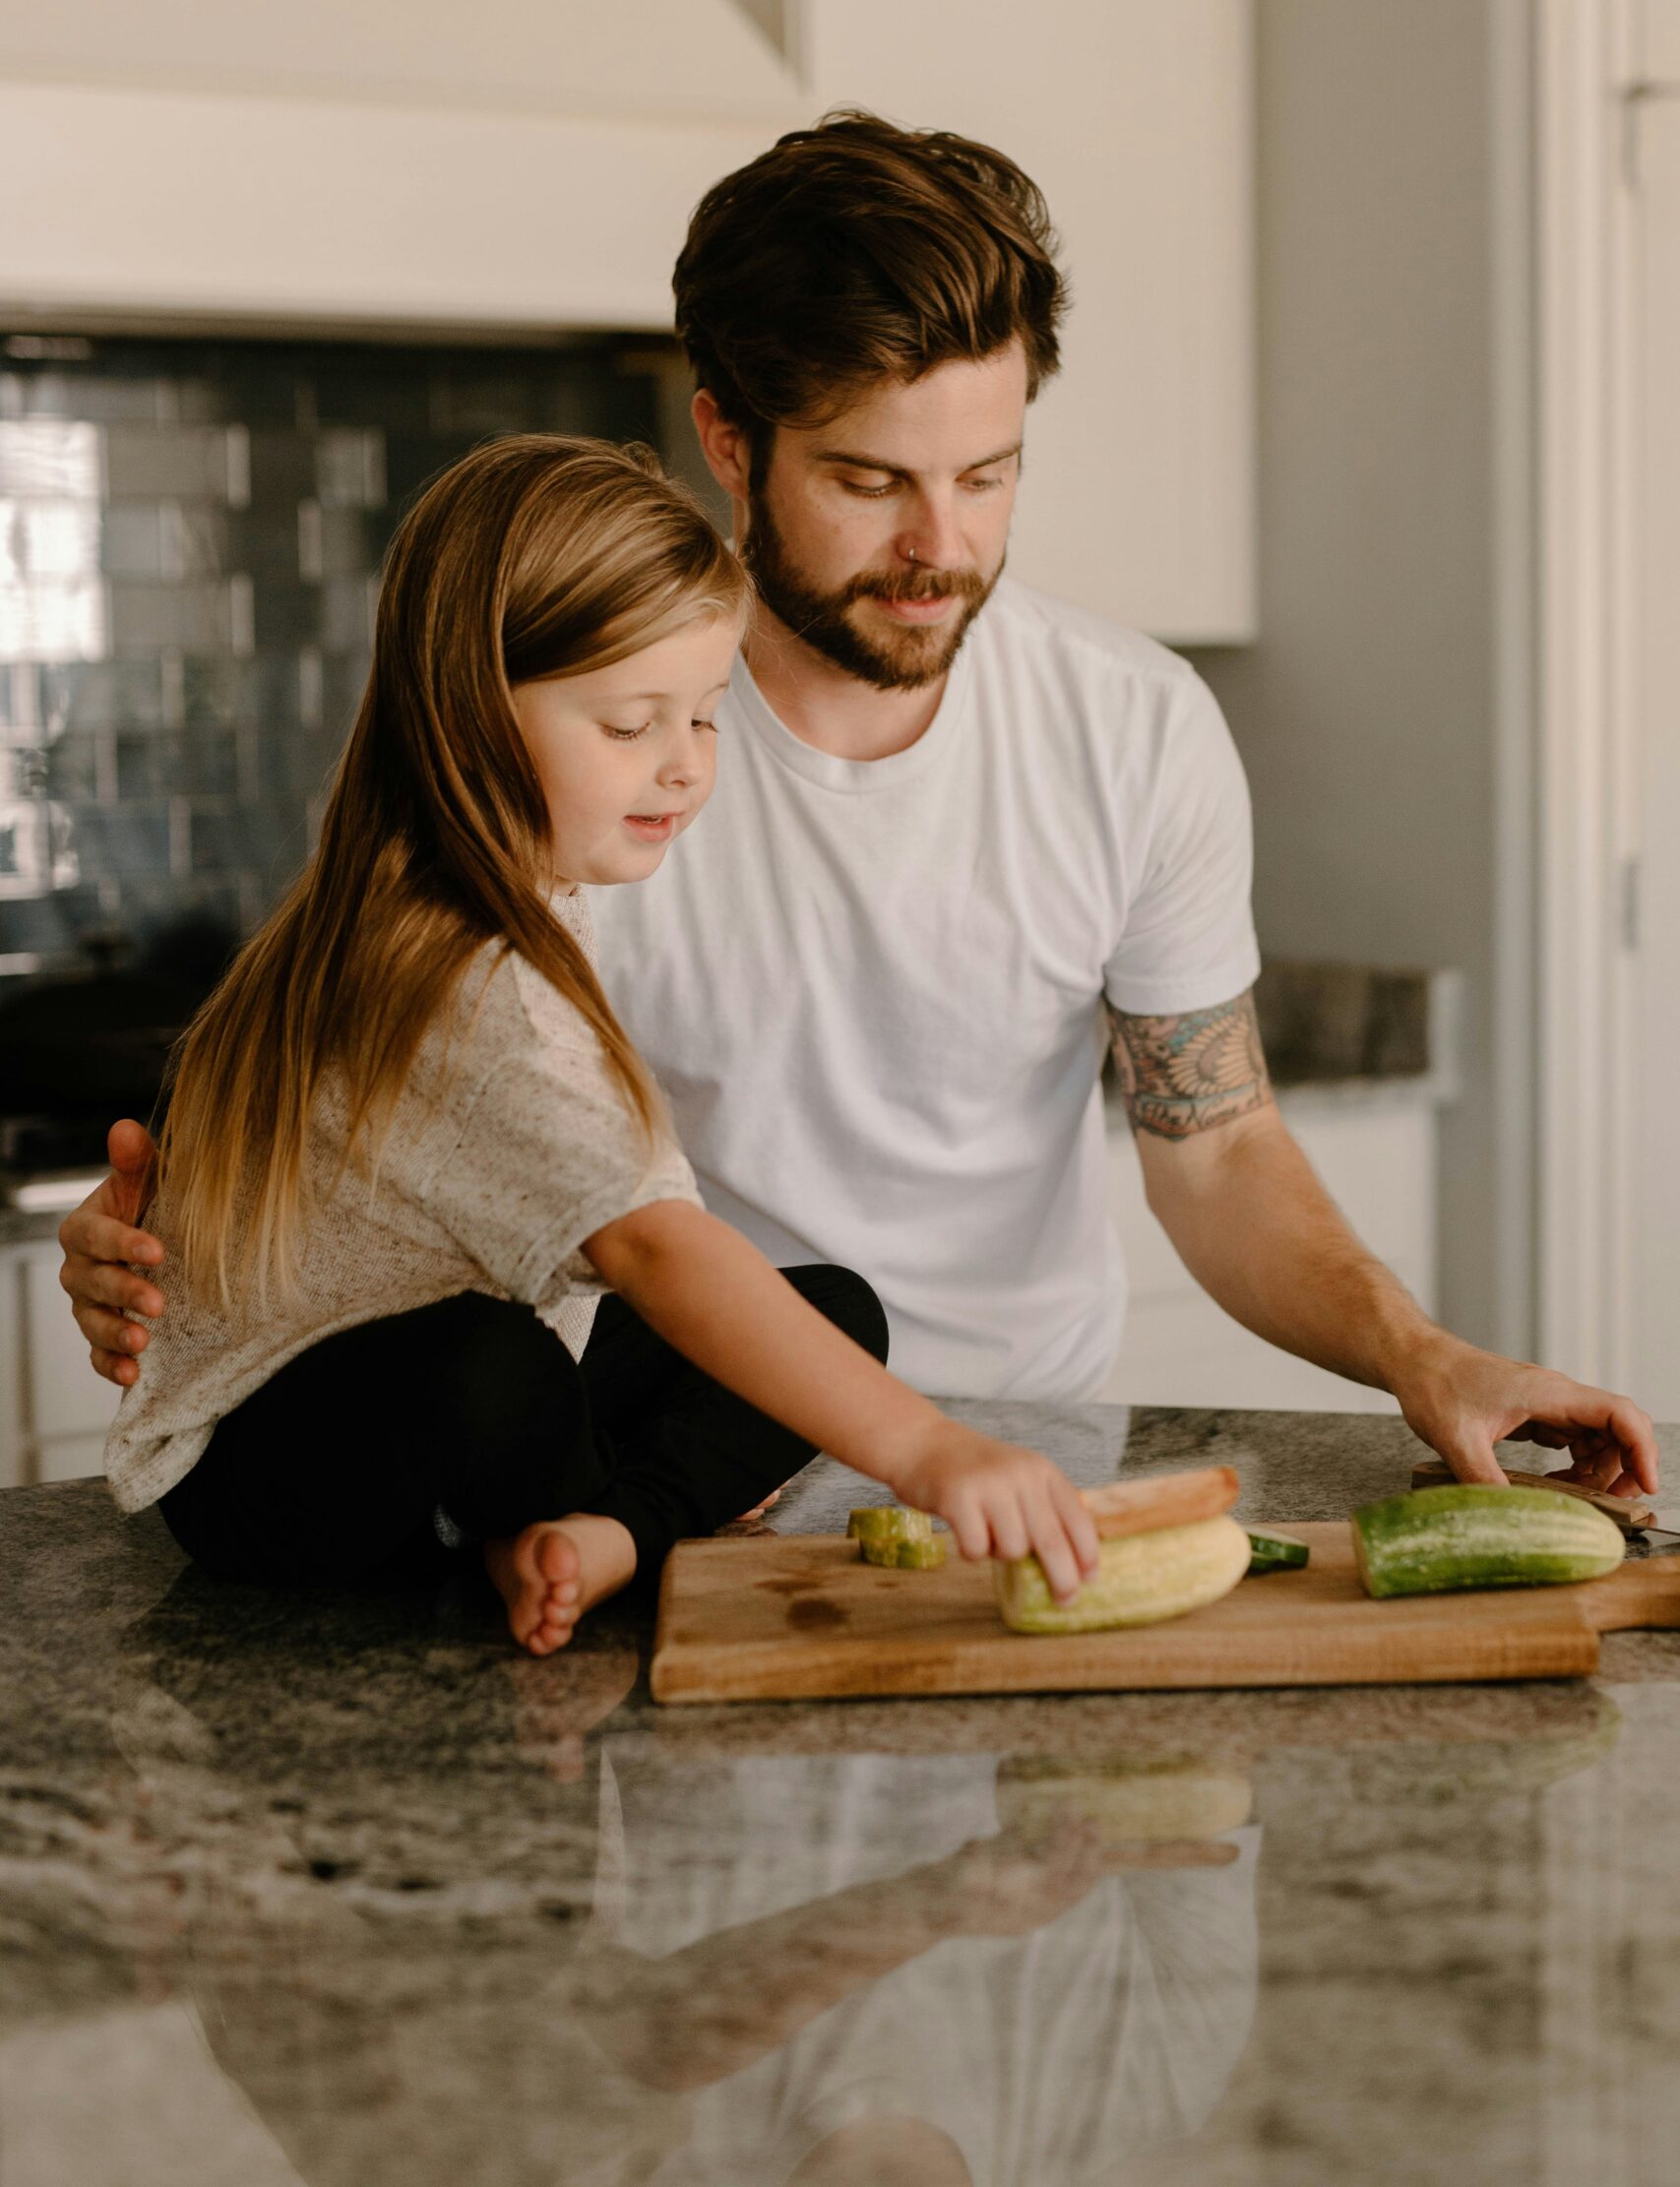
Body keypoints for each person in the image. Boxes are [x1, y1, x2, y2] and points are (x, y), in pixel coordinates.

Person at [63, 113, 1657, 1498]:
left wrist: (1419, 1355)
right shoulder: (585, 751)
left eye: (987, 473)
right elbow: (392, 1106)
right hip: (675, 1475)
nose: (938, 549)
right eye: (869, 481)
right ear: (727, 441)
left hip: (1026, 1459)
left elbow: (1216, 1147)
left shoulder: (1136, 727)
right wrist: (186, 1263)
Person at [97, 434, 1099, 1654]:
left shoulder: (458, 890)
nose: (683, 766)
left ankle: (601, 1534)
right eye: (631, 725)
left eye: (708, 715)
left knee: (827, 1310)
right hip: (277, 1474)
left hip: (458, 1367)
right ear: (472, 712)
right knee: (497, 1366)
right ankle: (588, 1511)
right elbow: (654, 1249)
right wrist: (932, 1449)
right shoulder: (470, 984)